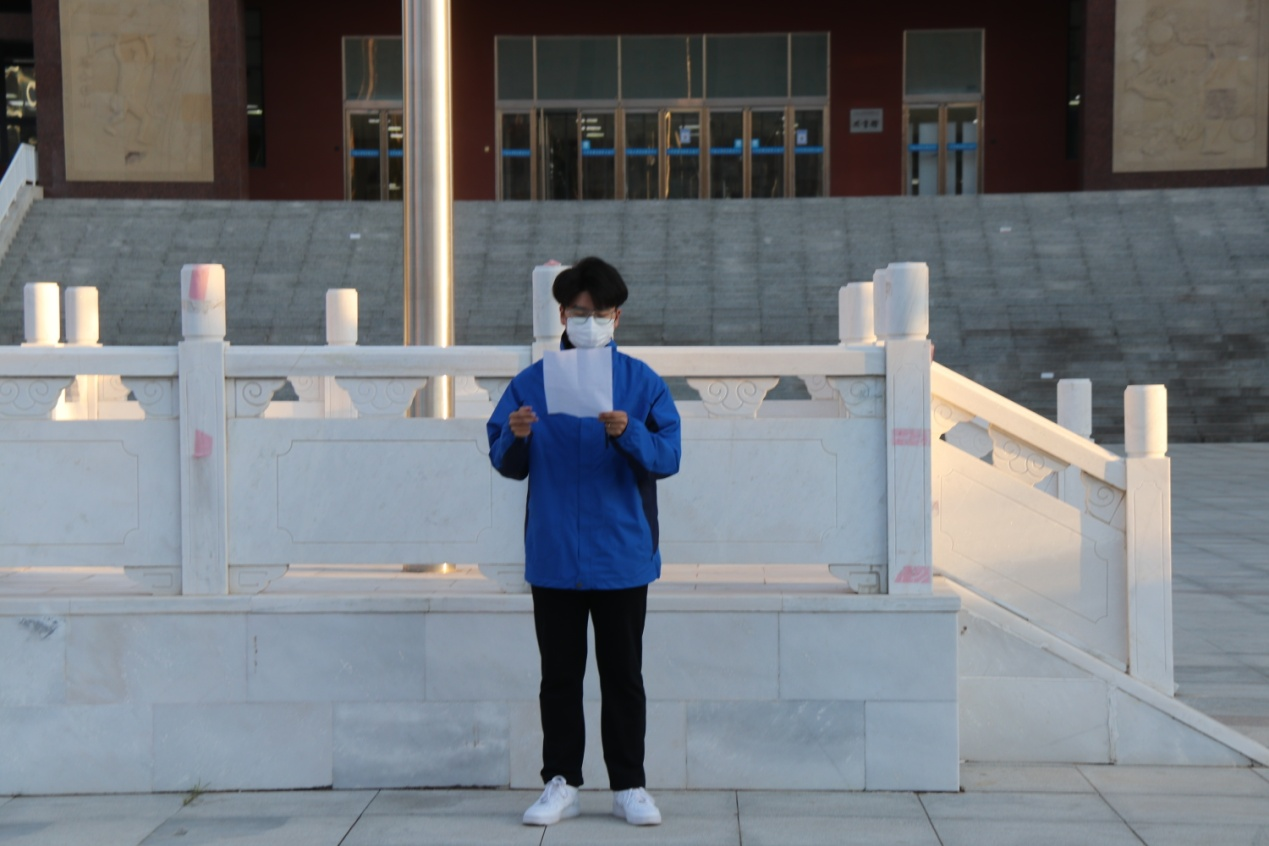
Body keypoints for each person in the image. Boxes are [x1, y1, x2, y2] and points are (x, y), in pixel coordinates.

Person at [487, 257, 682, 827]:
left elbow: (669, 456)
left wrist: (630, 433)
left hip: (621, 554)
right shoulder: (532, 383)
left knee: (623, 676)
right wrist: (517, 436)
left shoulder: (642, 383)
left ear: (616, 317)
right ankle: (561, 782)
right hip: (554, 555)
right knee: (559, 677)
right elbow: (504, 457)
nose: (588, 322)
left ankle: (629, 785)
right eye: (578, 313)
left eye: (599, 314)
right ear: (562, 316)